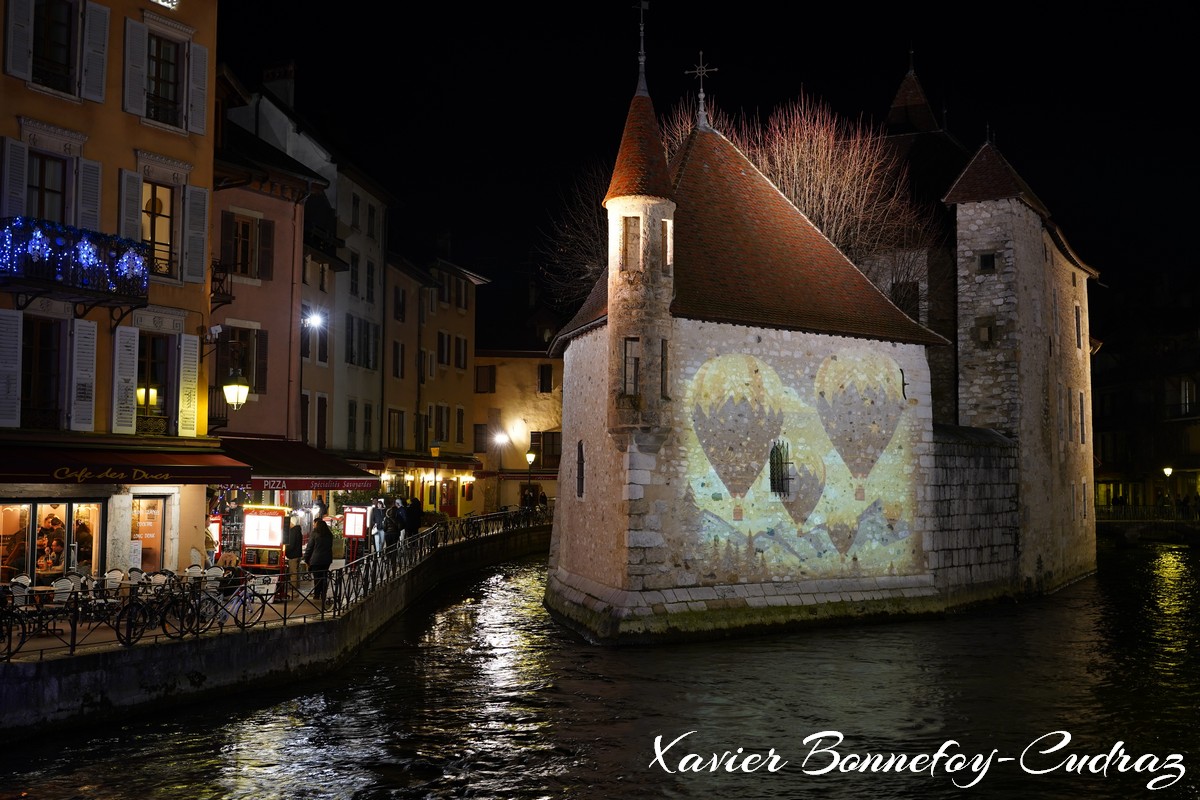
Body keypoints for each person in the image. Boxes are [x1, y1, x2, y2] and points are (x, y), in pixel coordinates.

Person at [303, 515, 334, 606]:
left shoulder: (315, 534)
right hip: (327, 559)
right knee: (324, 576)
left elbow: (310, 547)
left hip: (316, 559)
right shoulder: (329, 535)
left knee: (317, 577)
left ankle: (317, 594)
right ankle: (323, 593)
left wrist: (306, 558)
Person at [281, 522, 303, 601]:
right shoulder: (298, 531)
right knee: (295, 573)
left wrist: (285, 551)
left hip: (293, 555)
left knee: (293, 573)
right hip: (297, 554)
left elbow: (291, 545)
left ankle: (294, 591)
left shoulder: (293, 532)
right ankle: (296, 590)